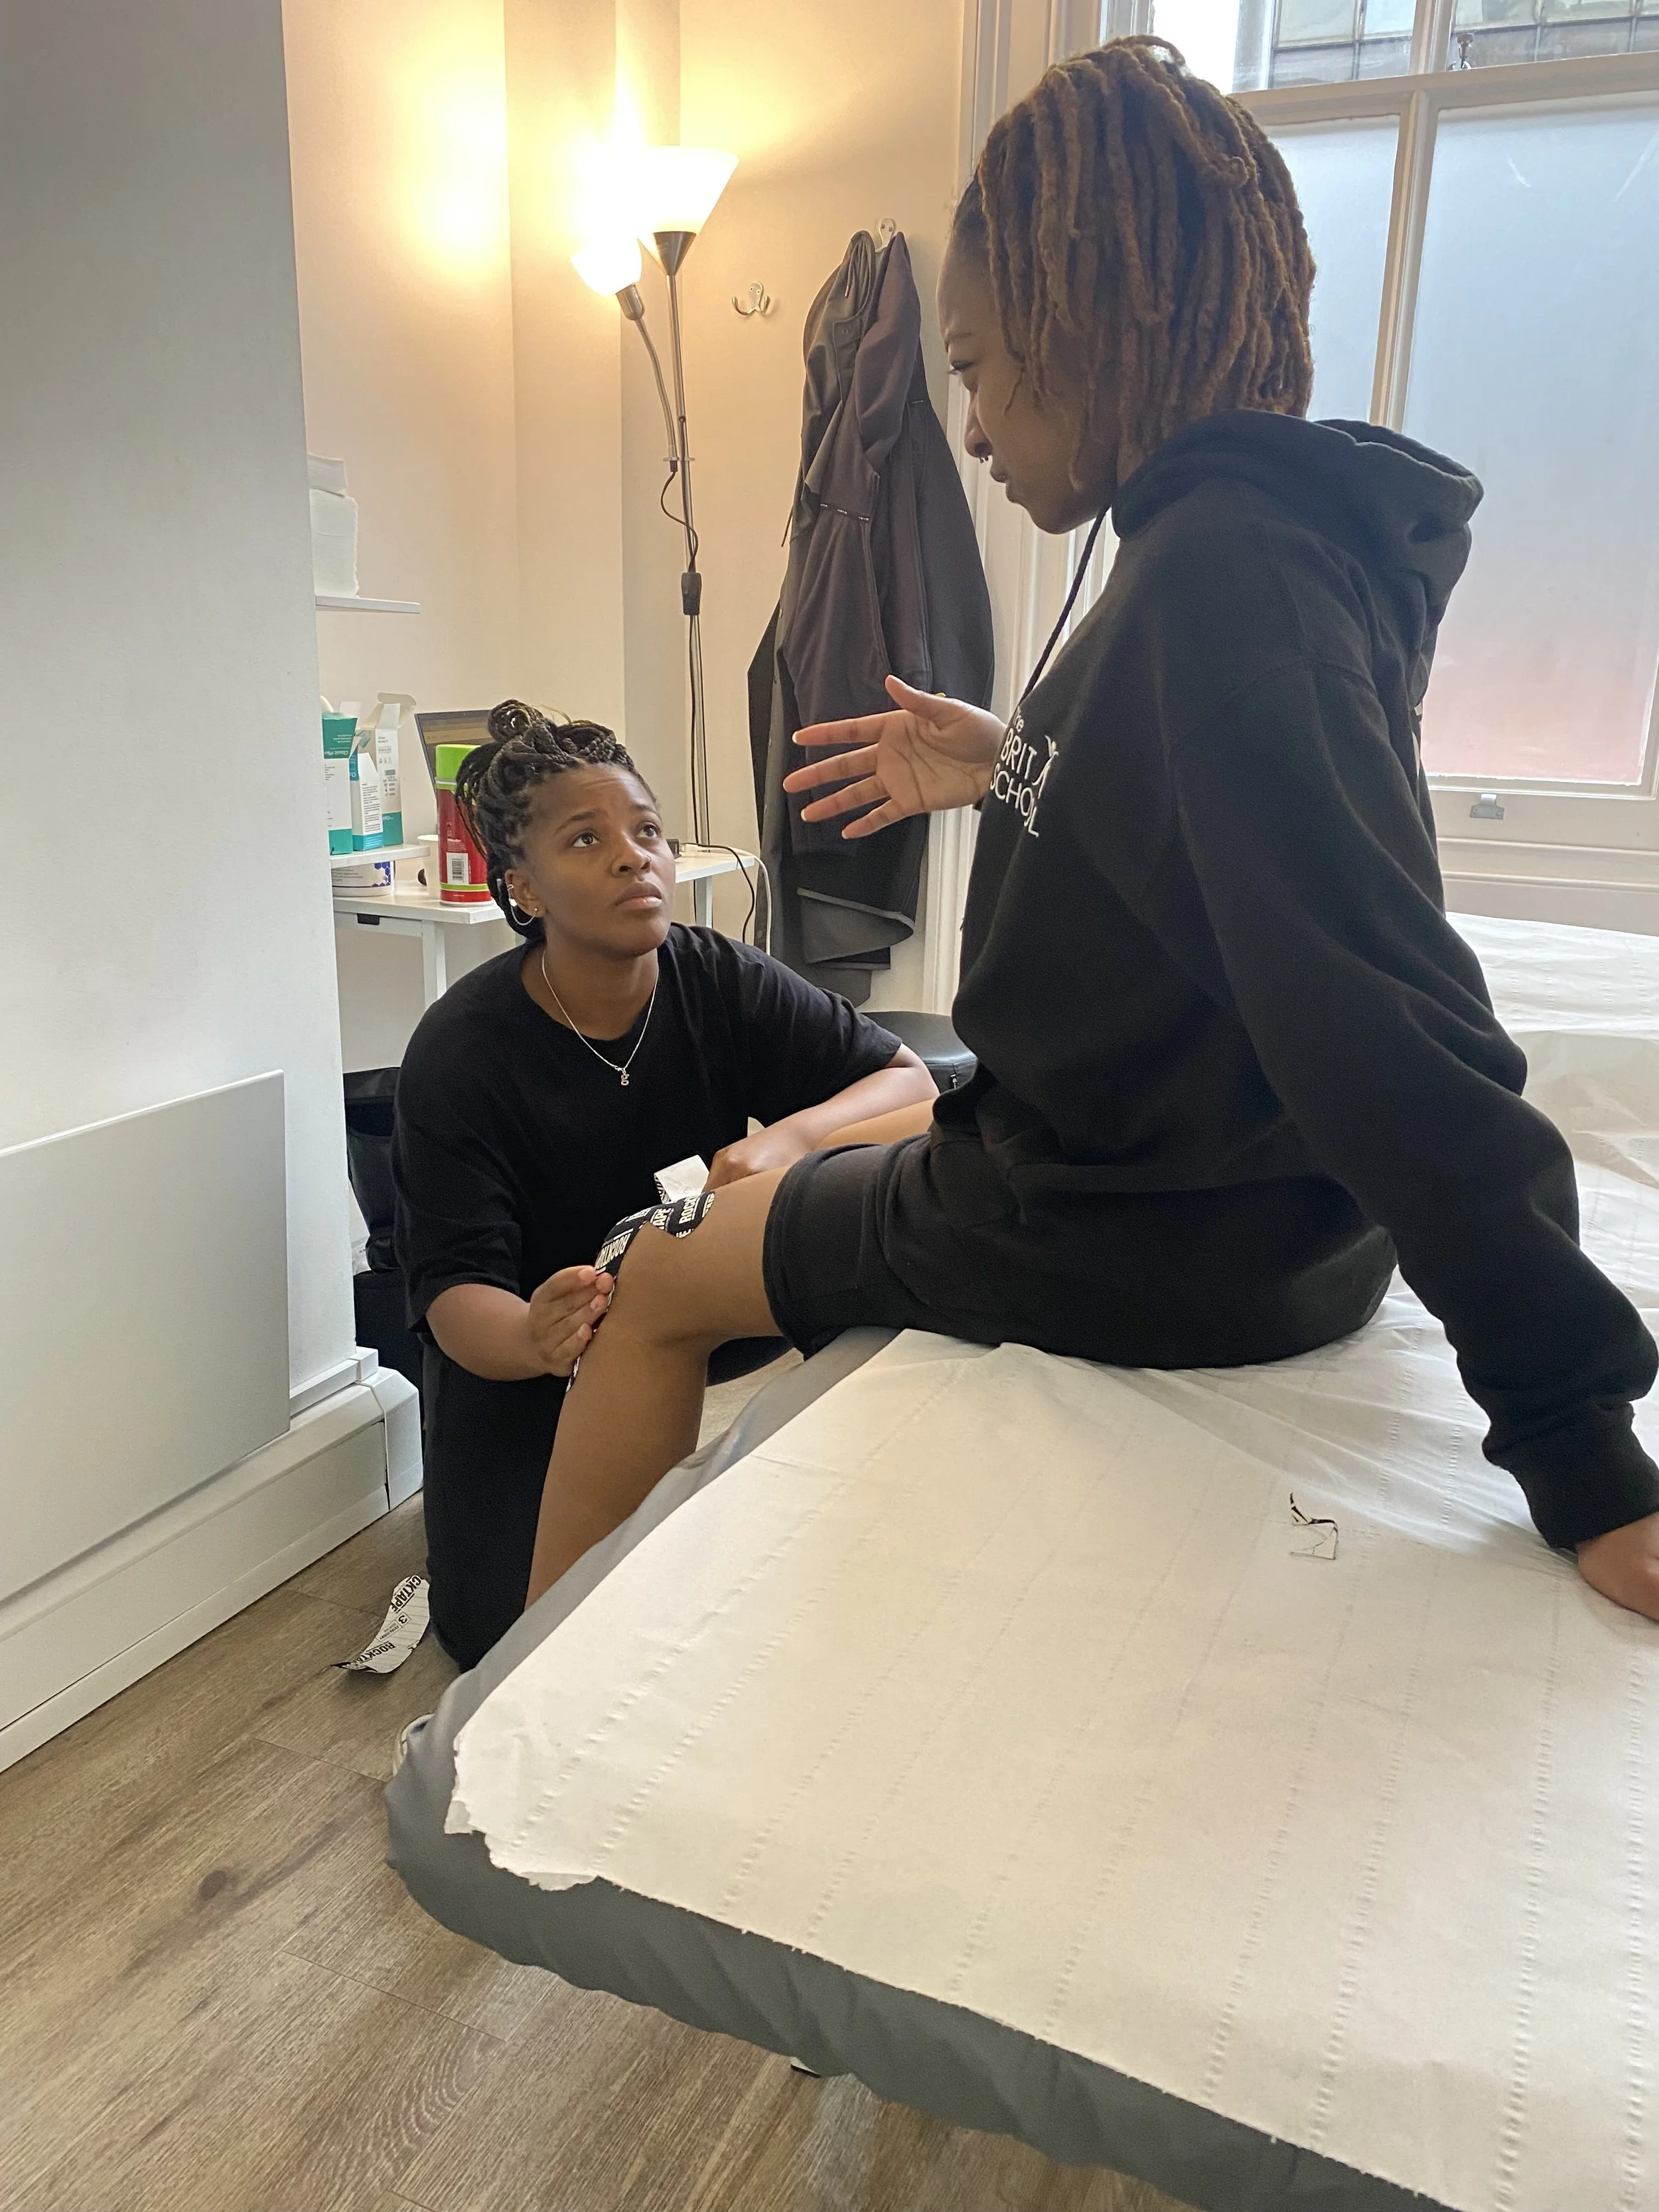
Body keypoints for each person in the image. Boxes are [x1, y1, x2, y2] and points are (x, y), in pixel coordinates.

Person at [523, 37, 1659, 1628]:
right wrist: (1017, 762)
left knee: (651, 1270)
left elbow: (1381, 1017)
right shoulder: (1272, 539)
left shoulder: (1212, 580)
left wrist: (1580, 1445)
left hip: (1136, 1229)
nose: (973, 430)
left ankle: (521, 1701)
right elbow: (1225, 844)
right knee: (867, 1115)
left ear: (1091, 322)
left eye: (980, 369)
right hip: (1246, 1208)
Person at [392, 700, 934, 1667]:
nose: (633, 857)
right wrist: (532, 1332)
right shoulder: (460, 1054)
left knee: (901, 1183)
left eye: (647, 831)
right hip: (535, 1359)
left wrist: (790, 1143)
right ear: (522, 885)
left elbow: (911, 1081)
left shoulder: (723, 978)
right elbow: (450, 1291)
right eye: (587, 839)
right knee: (509, 1636)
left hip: (698, 1313)